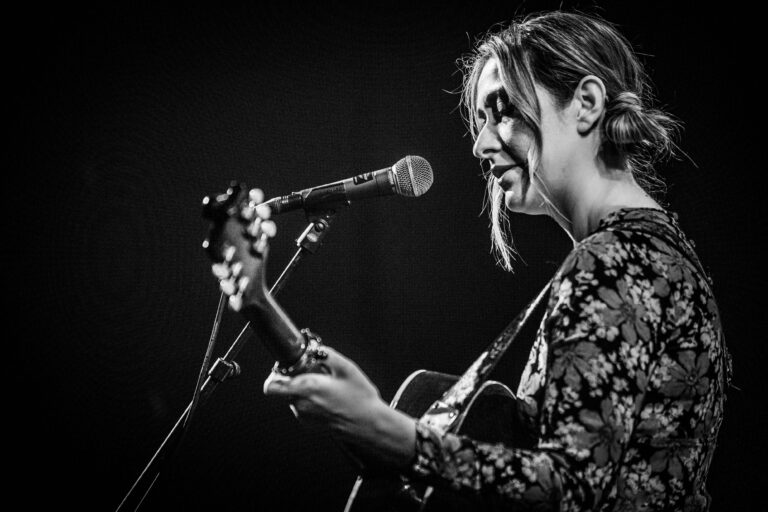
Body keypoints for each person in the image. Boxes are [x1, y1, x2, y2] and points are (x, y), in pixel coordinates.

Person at [259, 11, 728, 511]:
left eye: (501, 110)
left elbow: (572, 488)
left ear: (586, 105)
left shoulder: (614, 262)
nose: (481, 144)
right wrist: (359, 418)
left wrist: (381, 426)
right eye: (480, 120)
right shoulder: (655, 254)